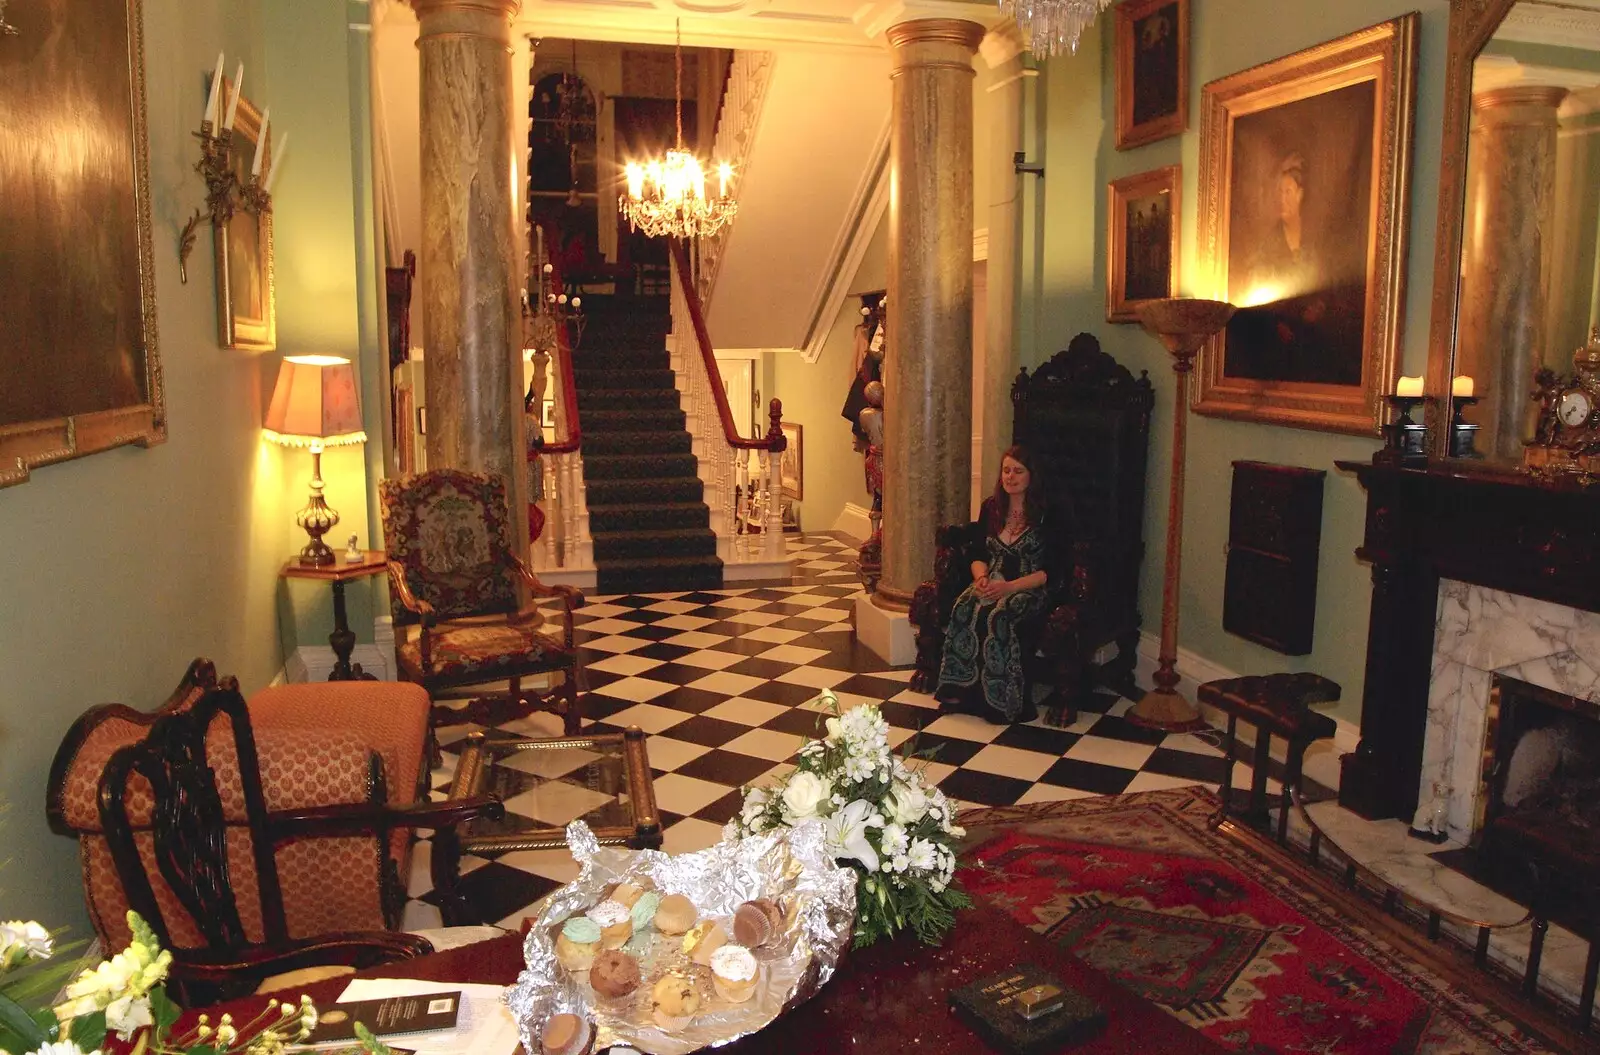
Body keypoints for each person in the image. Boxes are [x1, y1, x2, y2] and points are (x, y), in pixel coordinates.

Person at [935, 446, 1057, 724]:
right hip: (991, 578)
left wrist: (1010, 588)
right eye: (1006, 470)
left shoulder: (1048, 513)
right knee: (965, 607)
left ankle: (1001, 699)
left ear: (1032, 476)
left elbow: (1053, 571)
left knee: (999, 616)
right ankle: (960, 690)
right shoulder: (991, 507)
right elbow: (978, 553)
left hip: (1029, 585)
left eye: (1018, 471)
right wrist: (981, 578)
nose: (1010, 477)